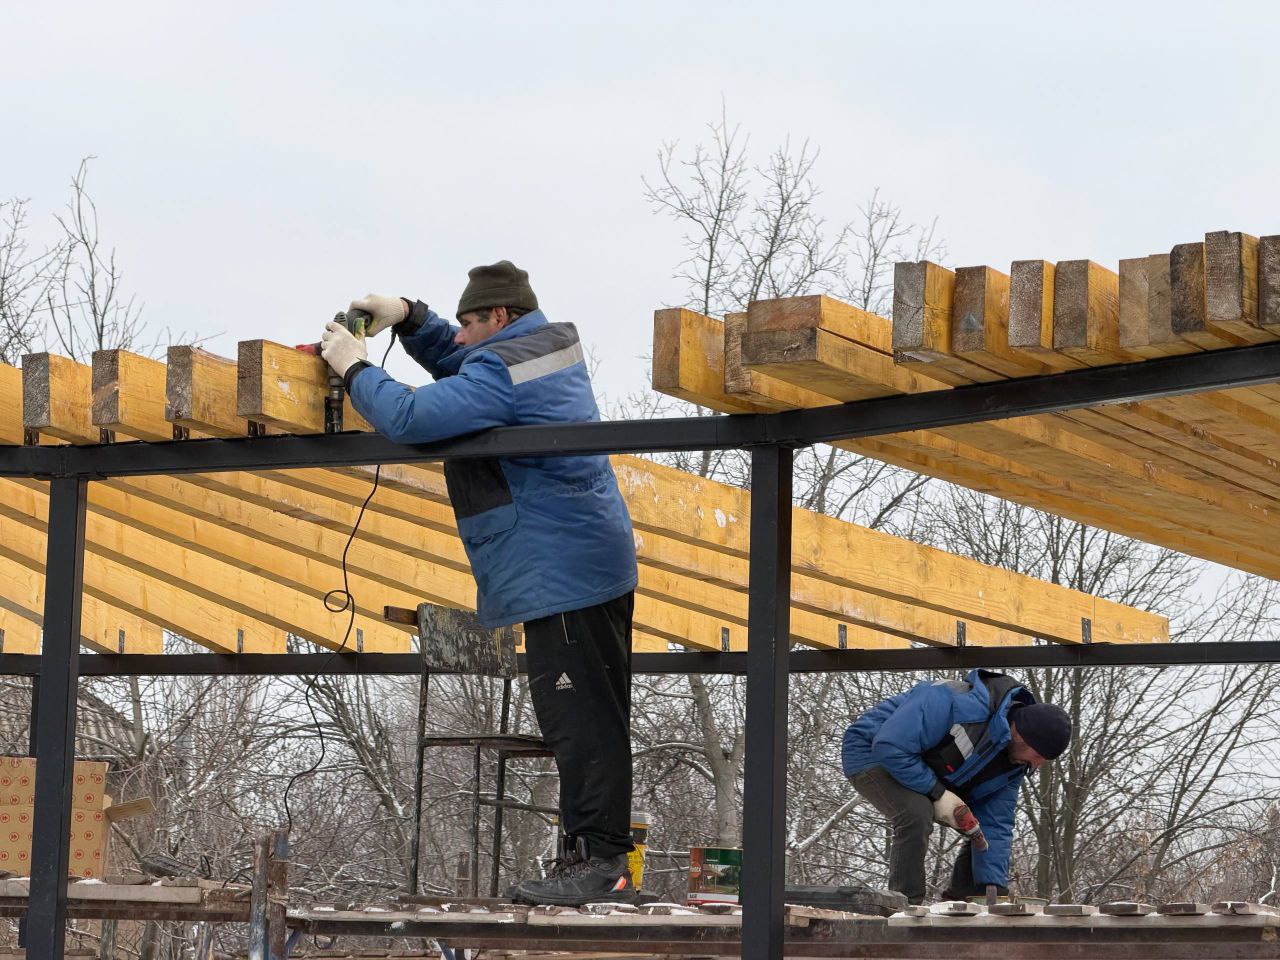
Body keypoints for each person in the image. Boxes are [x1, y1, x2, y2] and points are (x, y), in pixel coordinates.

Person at [320, 261, 640, 906]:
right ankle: (593, 858)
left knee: (581, 721)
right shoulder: (532, 353)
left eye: (468, 323)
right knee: (585, 716)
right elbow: (465, 369)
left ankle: (599, 863)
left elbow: (410, 417)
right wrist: (412, 318)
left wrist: (356, 368)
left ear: (500, 318)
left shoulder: (501, 370)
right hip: (579, 562)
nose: (459, 337)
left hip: (565, 571)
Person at [841, 669, 1071, 904]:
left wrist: (993, 889)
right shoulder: (956, 703)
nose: (1036, 766)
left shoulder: (1013, 766)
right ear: (1022, 736)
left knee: (980, 830)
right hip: (872, 751)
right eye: (1039, 757)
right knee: (917, 812)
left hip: (927, 767)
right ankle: (905, 905)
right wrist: (937, 793)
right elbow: (890, 746)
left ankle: (965, 900)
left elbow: (996, 823)